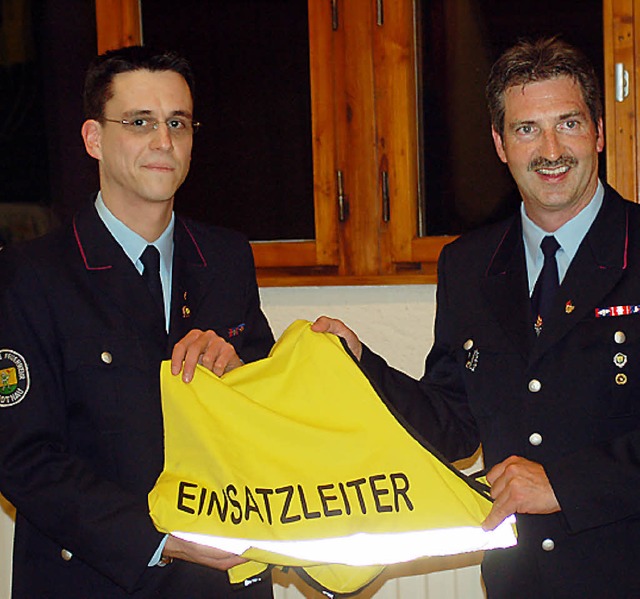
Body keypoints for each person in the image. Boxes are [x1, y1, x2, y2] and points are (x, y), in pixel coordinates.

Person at [313, 37, 640, 598]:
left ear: (600, 132)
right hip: (521, 583)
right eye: (526, 129)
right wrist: (363, 365)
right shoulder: (467, 265)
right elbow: (455, 419)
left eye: (568, 122)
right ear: (499, 143)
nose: (551, 149)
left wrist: (565, 483)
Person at [0, 46, 274, 598]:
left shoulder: (226, 258)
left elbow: (269, 415)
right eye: (140, 122)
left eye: (178, 122)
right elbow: (22, 457)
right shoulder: (31, 275)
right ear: (93, 139)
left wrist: (241, 370)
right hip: (95, 579)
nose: (164, 142)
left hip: (221, 583)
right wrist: (161, 537)